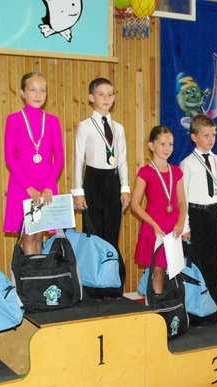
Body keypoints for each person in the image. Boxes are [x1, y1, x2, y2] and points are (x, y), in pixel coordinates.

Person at [71, 77, 129, 298]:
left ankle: (113, 286)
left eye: (110, 94)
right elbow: (78, 160)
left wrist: (125, 187)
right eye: (101, 94)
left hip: (113, 182)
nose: (106, 98)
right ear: (91, 97)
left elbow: (122, 159)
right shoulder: (85, 126)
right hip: (93, 182)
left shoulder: (118, 128)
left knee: (112, 235)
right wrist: (78, 191)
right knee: (93, 235)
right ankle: (93, 287)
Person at [3, 71, 64, 255]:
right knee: (29, 235)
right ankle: (33, 272)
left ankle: (39, 271)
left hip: (46, 185)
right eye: (32, 90)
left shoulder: (52, 121)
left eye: (42, 90)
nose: (38, 95)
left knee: (39, 235)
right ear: (23, 93)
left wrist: (49, 186)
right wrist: (28, 188)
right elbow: (9, 157)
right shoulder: (14, 119)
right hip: (23, 185)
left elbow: (59, 158)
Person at [180, 114, 217, 327]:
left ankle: (212, 314)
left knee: (211, 266)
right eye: (206, 135)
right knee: (195, 266)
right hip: (194, 216)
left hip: (211, 216)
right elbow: (182, 198)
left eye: (213, 135)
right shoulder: (188, 164)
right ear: (194, 137)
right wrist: (185, 226)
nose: (211, 139)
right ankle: (195, 315)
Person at [130, 126, 186, 295]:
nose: (167, 148)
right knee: (158, 271)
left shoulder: (176, 171)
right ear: (151, 146)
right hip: (155, 228)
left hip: (174, 228)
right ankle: (157, 304)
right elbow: (135, 204)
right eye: (162, 144)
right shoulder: (145, 172)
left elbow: (182, 202)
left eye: (170, 144)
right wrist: (153, 225)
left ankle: (171, 305)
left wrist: (181, 222)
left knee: (175, 271)